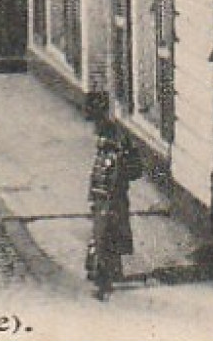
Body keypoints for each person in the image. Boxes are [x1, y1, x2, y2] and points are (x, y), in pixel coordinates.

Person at [86, 91, 140, 301]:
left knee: (105, 233)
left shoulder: (114, 140)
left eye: (95, 121)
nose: (94, 128)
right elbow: (98, 169)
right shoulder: (105, 138)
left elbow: (117, 168)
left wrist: (108, 190)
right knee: (106, 231)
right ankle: (111, 272)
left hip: (112, 194)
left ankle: (103, 280)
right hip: (103, 193)